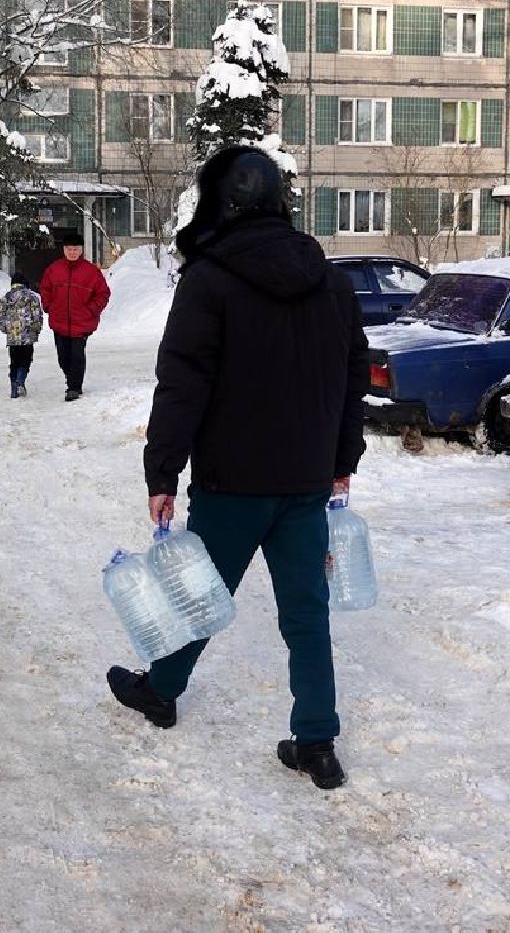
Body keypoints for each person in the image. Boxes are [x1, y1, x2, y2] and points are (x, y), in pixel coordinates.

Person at [106, 146, 370, 791]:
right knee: (306, 614)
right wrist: (340, 462)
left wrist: (162, 474)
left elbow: (182, 384)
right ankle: (317, 742)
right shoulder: (329, 279)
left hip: (233, 482)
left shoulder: (210, 278)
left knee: (201, 597)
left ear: (217, 202)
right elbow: (350, 379)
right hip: (304, 481)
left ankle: (162, 691)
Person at [38, 229, 110, 402]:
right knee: (63, 357)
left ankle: (74, 387)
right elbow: (45, 289)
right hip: (59, 321)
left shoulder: (91, 271)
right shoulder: (53, 270)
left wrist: (91, 310)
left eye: (75, 249)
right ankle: (71, 377)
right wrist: (48, 306)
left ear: (81, 250)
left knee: (77, 355)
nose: (72, 252)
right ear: (64, 250)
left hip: (82, 323)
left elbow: (103, 294)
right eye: (69, 249)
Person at [0, 270, 44, 398]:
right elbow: (37, 316)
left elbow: (0, 317)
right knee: (26, 360)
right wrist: (36, 330)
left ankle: (13, 388)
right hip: (28, 335)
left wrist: (6, 329)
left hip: (12, 336)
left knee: (14, 361)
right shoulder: (32, 297)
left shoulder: (6, 298)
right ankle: (20, 381)